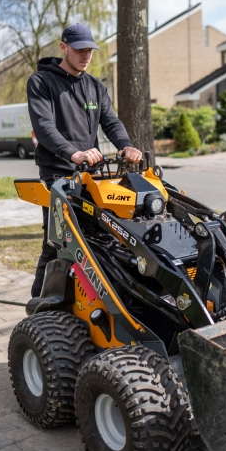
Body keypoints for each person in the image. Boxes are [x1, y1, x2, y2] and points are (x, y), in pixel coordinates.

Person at [26, 23, 143, 297]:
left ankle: (85, 301)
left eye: (90, 50)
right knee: (57, 243)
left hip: (90, 176)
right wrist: (73, 153)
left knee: (98, 241)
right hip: (58, 176)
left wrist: (126, 146)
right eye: (80, 50)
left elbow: (111, 122)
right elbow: (44, 129)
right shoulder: (41, 82)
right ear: (63, 48)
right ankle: (38, 306)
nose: (86, 56)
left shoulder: (95, 86)